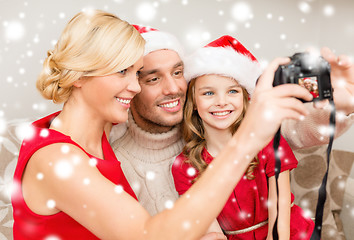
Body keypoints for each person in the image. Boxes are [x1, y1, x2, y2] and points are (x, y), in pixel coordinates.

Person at [11, 9, 311, 240]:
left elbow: (291, 133)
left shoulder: (99, 128)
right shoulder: (55, 159)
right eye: (122, 73)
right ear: (78, 76)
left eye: (137, 74)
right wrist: (245, 141)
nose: (135, 87)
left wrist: (335, 102)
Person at [110, 25, 354, 222]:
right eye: (153, 79)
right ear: (132, 86)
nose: (173, 88)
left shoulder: (216, 123)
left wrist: (340, 103)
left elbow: (294, 130)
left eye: (177, 73)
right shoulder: (118, 162)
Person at [171, 35, 314, 239]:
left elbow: (280, 215)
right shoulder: (185, 166)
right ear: (193, 101)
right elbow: (210, 230)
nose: (221, 102)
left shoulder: (269, 142)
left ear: (245, 97)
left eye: (232, 91)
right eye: (208, 93)